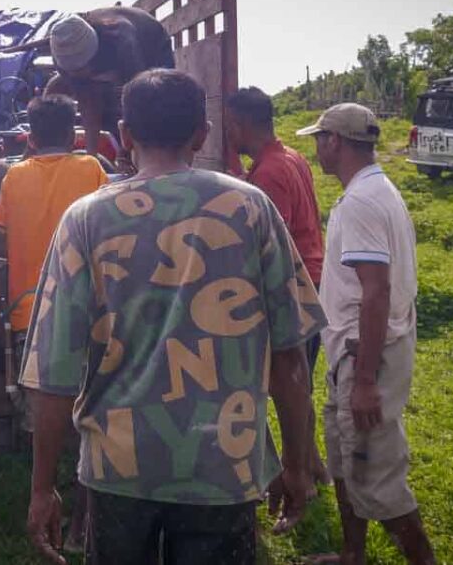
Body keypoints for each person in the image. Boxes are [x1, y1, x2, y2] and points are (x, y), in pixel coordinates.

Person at [23, 69, 326, 565]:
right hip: (223, 463)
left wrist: (41, 489)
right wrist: (296, 462)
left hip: (119, 467)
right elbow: (290, 359)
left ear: (123, 135)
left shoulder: (85, 219)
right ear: (202, 134)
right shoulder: (250, 209)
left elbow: (53, 374)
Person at [297, 104, 436, 565]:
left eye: (320, 138)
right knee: (344, 457)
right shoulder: (374, 189)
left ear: (335, 142)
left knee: (376, 474)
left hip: (364, 357)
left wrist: (365, 381)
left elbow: (376, 292)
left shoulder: (360, 202)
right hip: (353, 354)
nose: (316, 147)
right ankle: (352, 554)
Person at [0, 93, 108, 551]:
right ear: (74, 131)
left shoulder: (13, 176)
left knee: (44, 418)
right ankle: (82, 523)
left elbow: (0, 239)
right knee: (89, 417)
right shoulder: (92, 169)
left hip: (31, 311)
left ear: (30, 137)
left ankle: (46, 500)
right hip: (89, 313)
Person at [226, 86, 330, 484]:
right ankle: (315, 465)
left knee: (288, 380)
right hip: (314, 278)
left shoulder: (268, 173)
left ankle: (299, 471)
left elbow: (269, 242)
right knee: (300, 378)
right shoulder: (291, 157)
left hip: (292, 287)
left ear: (238, 125)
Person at [45, 6, 175, 157]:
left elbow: (138, 102)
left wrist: (127, 151)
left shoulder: (123, 41)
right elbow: (89, 107)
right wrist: (91, 158)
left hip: (152, 48)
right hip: (108, 65)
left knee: (157, 106)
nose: (77, 74)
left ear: (93, 55)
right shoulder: (61, 52)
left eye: (81, 68)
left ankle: (157, 159)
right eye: (73, 71)